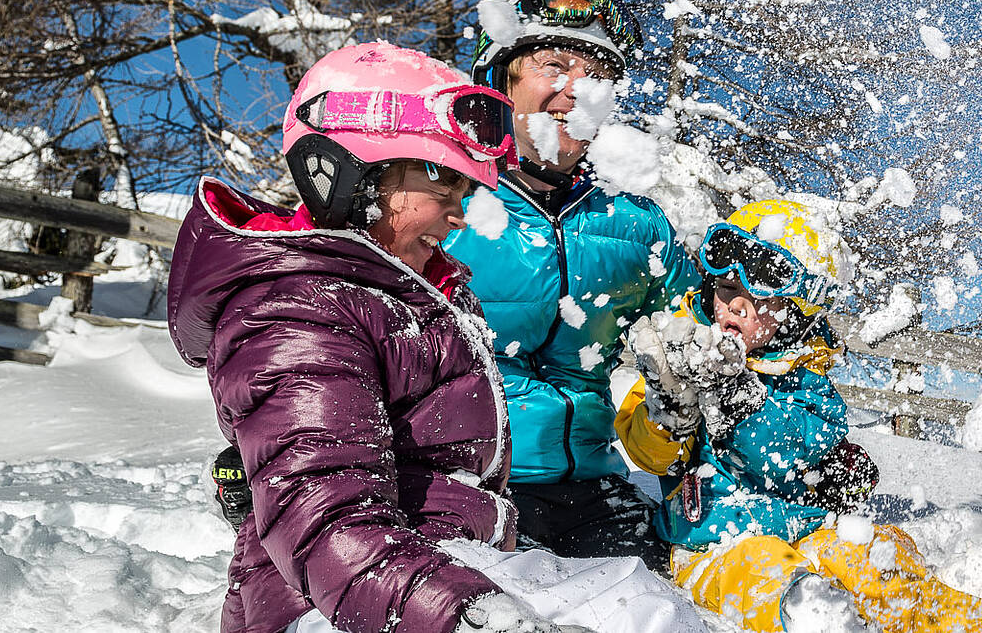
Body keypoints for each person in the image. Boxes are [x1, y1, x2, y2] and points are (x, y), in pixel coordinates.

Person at [168, 42, 703, 633]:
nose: (461, 215)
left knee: (646, 605)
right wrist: (474, 615)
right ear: (350, 171)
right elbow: (330, 520)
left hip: (448, 554)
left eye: (466, 193)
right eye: (440, 184)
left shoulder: (416, 289)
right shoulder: (299, 308)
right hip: (351, 600)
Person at [613, 200, 982, 633]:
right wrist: (665, 415)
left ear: (796, 310)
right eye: (726, 286)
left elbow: (788, 450)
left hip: (808, 530)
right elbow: (648, 455)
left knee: (875, 566)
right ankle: (820, 620)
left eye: (761, 290)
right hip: (713, 546)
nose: (737, 303)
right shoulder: (683, 359)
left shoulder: (808, 381)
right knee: (769, 574)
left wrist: (741, 400)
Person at [442, 0, 699, 574]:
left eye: (596, 75)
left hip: (593, 487)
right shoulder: (444, 200)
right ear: (499, 82)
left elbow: (698, 336)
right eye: (553, 64)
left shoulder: (637, 223)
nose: (574, 89)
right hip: (466, 487)